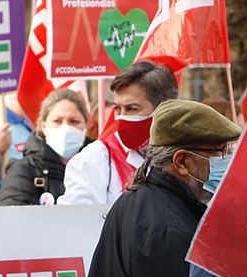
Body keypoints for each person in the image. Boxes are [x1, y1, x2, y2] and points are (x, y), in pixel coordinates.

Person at [87, 99, 241, 277]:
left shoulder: (139, 196)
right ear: (182, 161)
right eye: (220, 152)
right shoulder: (169, 229)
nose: (228, 161)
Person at [59, 60, 178, 206]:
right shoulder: (93, 160)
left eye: (132, 109)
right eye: (117, 109)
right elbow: (78, 222)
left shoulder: (184, 157)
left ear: (163, 111)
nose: (122, 117)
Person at [0, 89, 91, 206]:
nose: (66, 129)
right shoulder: (24, 171)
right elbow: (12, 219)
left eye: (74, 121)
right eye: (57, 121)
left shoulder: (100, 167)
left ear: (86, 126)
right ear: (44, 127)